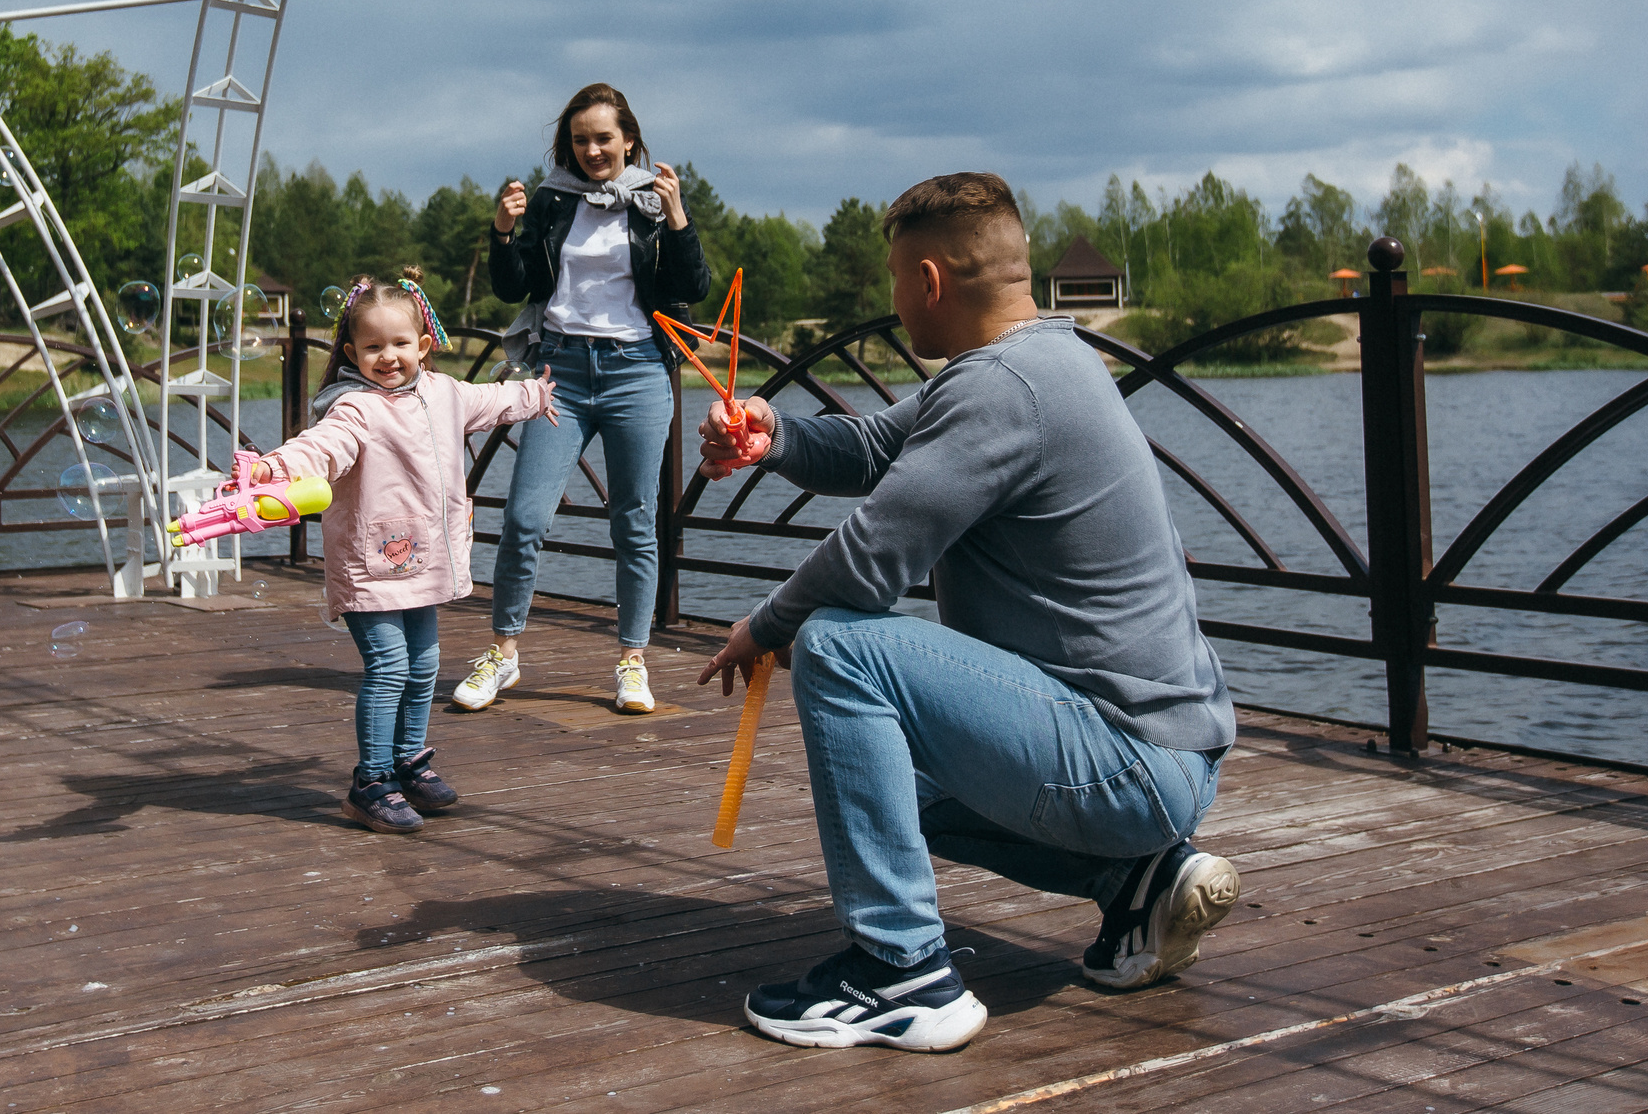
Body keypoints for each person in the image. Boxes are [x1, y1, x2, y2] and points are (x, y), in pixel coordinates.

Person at [694, 172, 1239, 1052]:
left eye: (896, 279)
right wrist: (775, 434)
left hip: (1127, 760)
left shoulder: (1001, 389)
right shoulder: (1043, 360)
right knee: (887, 782)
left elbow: (871, 559)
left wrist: (762, 628)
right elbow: (871, 447)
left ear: (930, 280)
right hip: (1164, 754)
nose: (895, 299)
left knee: (836, 644)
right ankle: (1137, 882)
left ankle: (901, 971)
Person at [247, 269, 556, 833]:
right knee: (389, 667)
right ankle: (371, 782)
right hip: (369, 564)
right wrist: (275, 466)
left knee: (425, 664)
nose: (388, 357)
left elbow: (493, 398)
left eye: (400, 343)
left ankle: (408, 761)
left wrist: (536, 394)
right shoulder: (354, 409)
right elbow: (320, 447)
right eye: (372, 347)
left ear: (424, 344)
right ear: (351, 353)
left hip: (421, 559)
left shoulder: (444, 393)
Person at [450, 82, 713, 717]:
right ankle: (503, 652)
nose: (592, 150)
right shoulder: (552, 199)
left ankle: (632, 660)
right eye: (580, 140)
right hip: (560, 372)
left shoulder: (652, 200)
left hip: (637, 371)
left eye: (603, 138)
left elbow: (695, 285)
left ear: (629, 140)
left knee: (634, 522)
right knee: (524, 518)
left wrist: (678, 217)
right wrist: (503, 231)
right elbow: (516, 286)